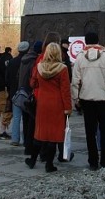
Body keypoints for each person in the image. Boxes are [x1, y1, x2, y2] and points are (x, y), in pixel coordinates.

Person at [71, 31, 105, 170]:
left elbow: (75, 81)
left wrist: (76, 98)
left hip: (87, 98)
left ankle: (93, 161)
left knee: (90, 132)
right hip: (103, 98)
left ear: (85, 41)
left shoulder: (80, 58)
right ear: (98, 41)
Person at [25, 43, 72, 173]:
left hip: (42, 103)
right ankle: (49, 164)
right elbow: (65, 90)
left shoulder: (39, 66)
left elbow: (33, 83)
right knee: (54, 134)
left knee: (40, 132)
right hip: (57, 104)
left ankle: (32, 159)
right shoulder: (62, 69)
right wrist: (68, 108)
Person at [20, 40, 42, 155]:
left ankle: (26, 145)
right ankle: (31, 147)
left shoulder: (23, 59)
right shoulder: (34, 61)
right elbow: (32, 80)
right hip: (31, 94)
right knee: (32, 122)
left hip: (23, 93)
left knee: (26, 120)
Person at [6, 41, 29, 145]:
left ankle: (15, 139)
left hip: (15, 93)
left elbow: (7, 78)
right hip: (27, 92)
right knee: (26, 118)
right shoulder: (29, 61)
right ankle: (26, 139)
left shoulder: (12, 61)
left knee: (16, 117)